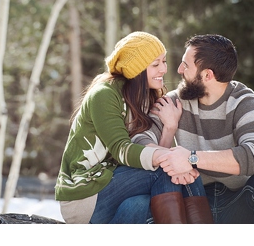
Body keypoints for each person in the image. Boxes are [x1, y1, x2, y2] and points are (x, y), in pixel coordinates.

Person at [55, 31, 209, 224]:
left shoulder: (146, 97)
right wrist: (176, 159)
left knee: (140, 203)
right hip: (85, 194)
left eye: (164, 61)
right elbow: (122, 150)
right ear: (135, 69)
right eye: (155, 64)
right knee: (173, 168)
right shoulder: (104, 95)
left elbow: (151, 151)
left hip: (118, 187)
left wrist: (170, 128)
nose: (163, 69)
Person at [145, 34, 254, 223]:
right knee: (140, 203)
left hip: (238, 199)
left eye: (186, 65)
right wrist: (170, 131)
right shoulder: (173, 102)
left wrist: (191, 159)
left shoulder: (245, 102)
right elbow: (141, 142)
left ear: (207, 75)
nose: (179, 70)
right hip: (192, 198)